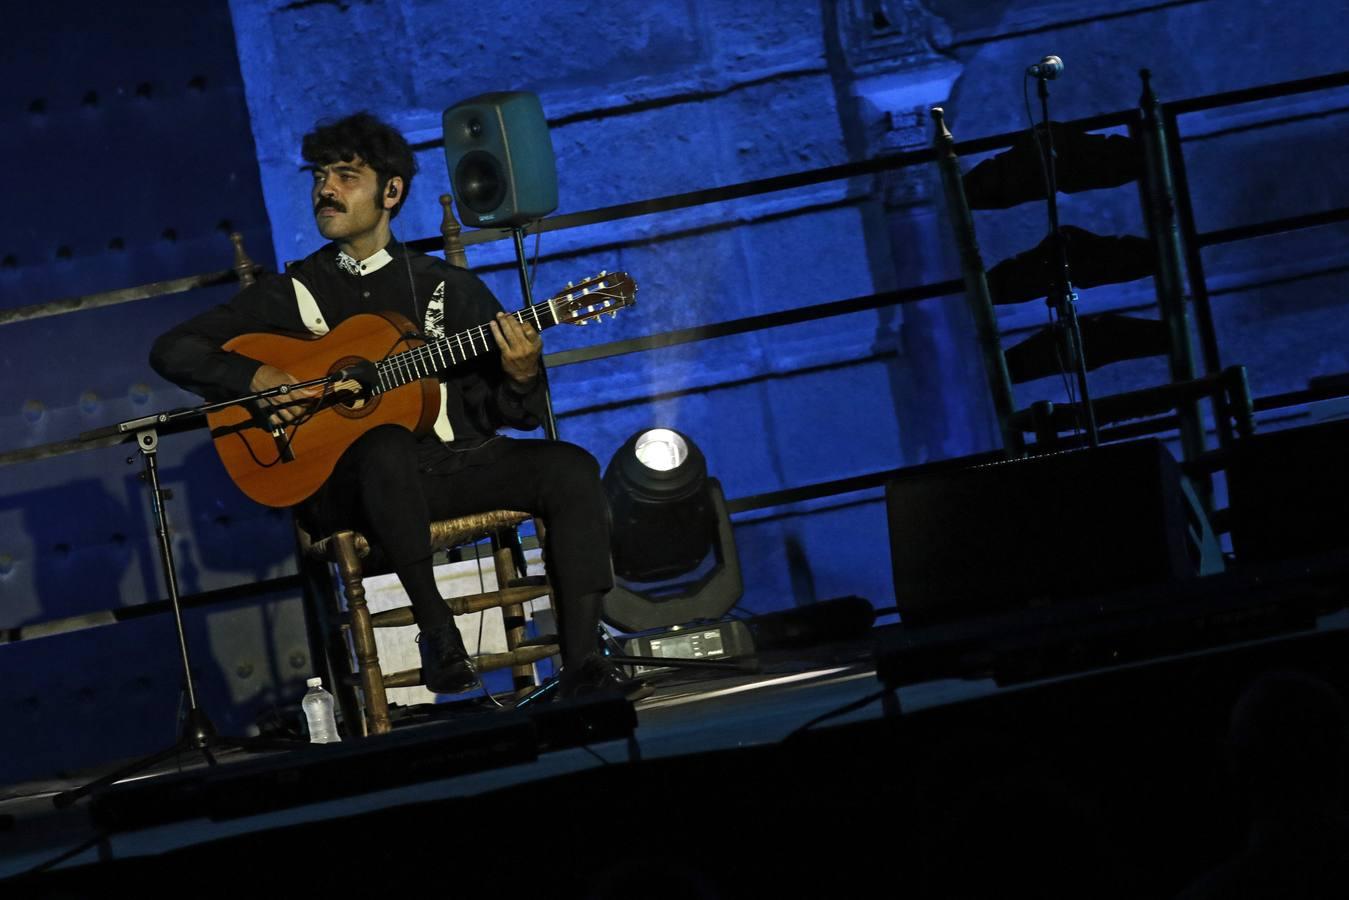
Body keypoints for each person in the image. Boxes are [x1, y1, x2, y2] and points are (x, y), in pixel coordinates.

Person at [150, 112, 635, 700]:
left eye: (346, 175)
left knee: (571, 467)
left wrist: (522, 373)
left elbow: (514, 414)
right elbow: (172, 349)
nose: (326, 188)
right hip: (346, 488)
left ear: (391, 191)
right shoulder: (292, 292)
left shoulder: (446, 289)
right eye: (320, 176)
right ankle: (439, 634)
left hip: (446, 468)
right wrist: (258, 376)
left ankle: (583, 665)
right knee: (383, 445)